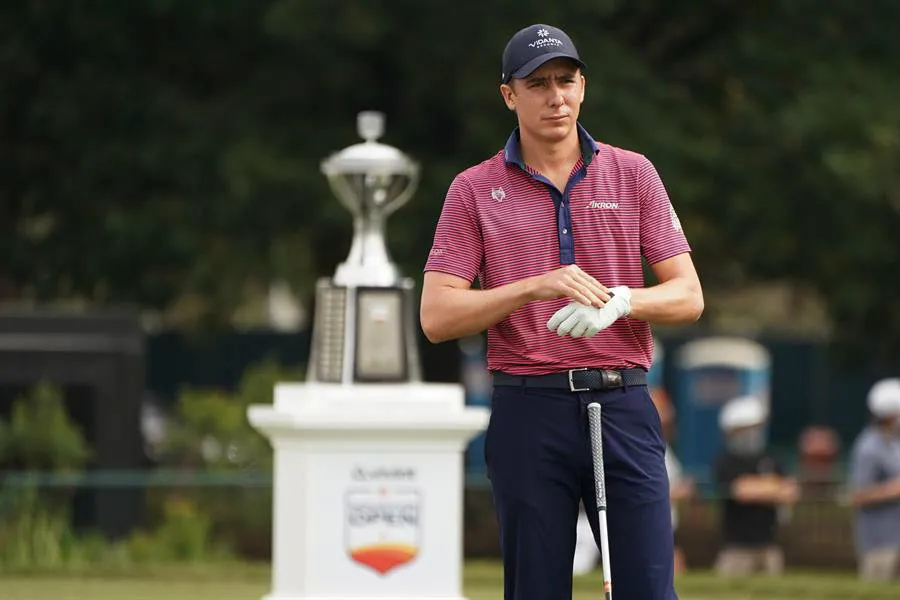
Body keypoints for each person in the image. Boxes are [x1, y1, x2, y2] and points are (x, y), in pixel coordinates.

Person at [420, 22, 703, 600]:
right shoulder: (473, 189)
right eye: (538, 83)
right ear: (509, 95)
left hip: (623, 400)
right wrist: (533, 287)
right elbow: (438, 315)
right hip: (529, 408)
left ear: (583, 86)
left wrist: (623, 301)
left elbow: (688, 296)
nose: (556, 97)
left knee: (647, 590)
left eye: (566, 81)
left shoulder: (633, 173)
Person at [712, 395, 799, 576]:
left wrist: (760, 488)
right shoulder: (726, 461)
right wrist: (773, 488)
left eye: (755, 428)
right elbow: (741, 491)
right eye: (746, 429)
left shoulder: (771, 457)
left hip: (769, 546)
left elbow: (790, 491)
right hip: (736, 549)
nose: (752, 433)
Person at [847, 378, 900, 582]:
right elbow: (857, 495)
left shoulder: (895, 443)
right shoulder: (868, 447)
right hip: (880, 542)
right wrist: (894, 489)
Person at [650, 386, 695, 575]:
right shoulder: (645, 445)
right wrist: (678, 491)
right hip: (650, 524)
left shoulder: (664, 445)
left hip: (665, 525)